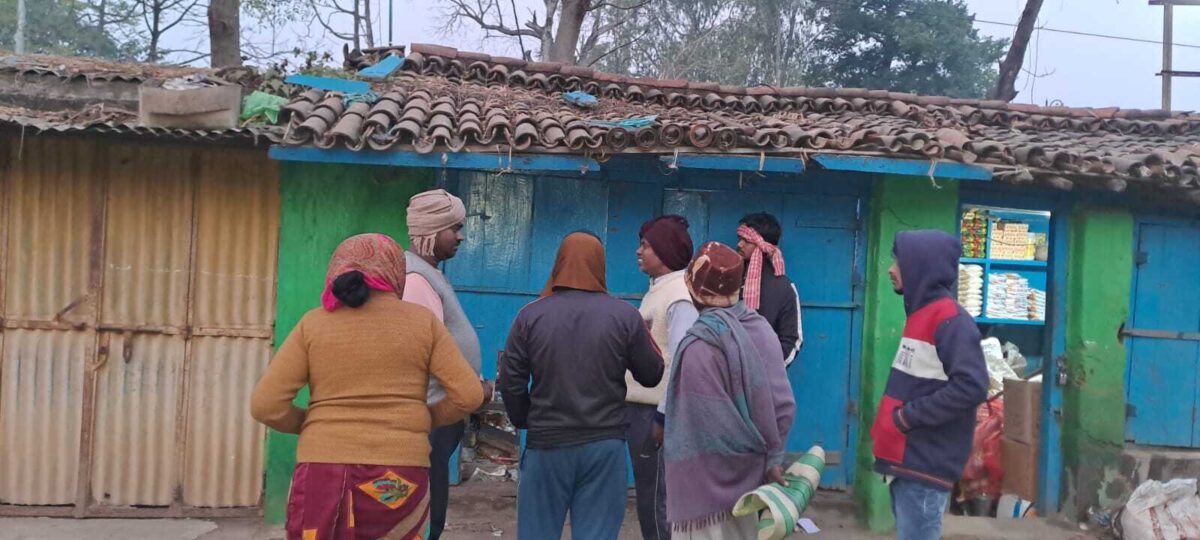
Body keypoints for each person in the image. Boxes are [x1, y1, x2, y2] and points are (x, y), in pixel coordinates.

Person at [250, 233, 485, 540]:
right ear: (395, 273)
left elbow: (265, 405)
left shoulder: (314, 324)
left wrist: (312, 424)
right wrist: (423, 420)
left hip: (322, 469)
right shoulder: (423, 323)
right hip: (400, 473)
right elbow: (469, 395)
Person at [500, 231, 665, 540]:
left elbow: (511, 380)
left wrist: (525, 419)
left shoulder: (530, 316)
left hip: (546, 445)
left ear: (559, 263)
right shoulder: (625, 316)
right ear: (600, 266)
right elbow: (651, 374)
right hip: (604, 446)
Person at [662, 241, 797, 540]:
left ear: (693, 288)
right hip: (750, 482)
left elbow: (694, 426)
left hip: (701, 490)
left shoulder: (698, 345)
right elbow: (783, 406)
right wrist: (773, 459)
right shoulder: (762, 330)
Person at [869, 230, 988, 540]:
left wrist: (906, 417)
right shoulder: (922, 315)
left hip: (923, 463)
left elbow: (972, 386)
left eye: (899, 262)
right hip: (908, 460)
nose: (891, 270)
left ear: (921, 266)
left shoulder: (950, 320)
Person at [402, 188, 491, 540]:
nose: (460, 236)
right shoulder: (416, 280)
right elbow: (423, 351)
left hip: (439, 413)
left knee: (431, 507)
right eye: (454, 228)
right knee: (426, 515)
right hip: (430, 414)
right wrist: (471, 388)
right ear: (430, 230)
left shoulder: (428, 273)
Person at [628, 215, 698, 540]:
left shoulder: (679, 296)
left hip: (657, 414)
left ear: (665, 251)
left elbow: (683, 362)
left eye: (646, 246)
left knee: (657, 498)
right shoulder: (659, 290)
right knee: (650, 494)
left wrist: (663, 417)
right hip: (645, 410)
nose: (638, 251)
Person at [736, 213, 803, 367]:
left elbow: (792, 340)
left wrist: (771, 371)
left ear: (763, 245)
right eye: (739, 238)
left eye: (747, 241)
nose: (739, 244)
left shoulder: (784, 287)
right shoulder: (729, 280)